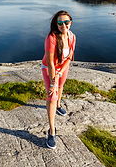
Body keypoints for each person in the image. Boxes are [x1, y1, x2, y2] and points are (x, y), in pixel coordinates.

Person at [41, 10, 76, 149]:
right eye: (60, 22)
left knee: (61, 86)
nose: (64, 25)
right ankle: (52, 131)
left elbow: (69, 58)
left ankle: (58, 106)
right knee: (52, 95)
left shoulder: (72, 37)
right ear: (56, 24)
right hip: (49, 68)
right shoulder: (51, 38)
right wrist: (53, 82)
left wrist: (60, 72)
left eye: (66, 22)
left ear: (70, 22)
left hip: (62, 67)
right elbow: (50, 63)